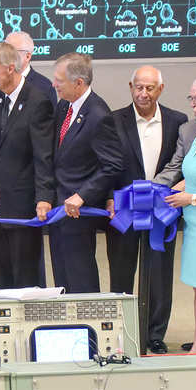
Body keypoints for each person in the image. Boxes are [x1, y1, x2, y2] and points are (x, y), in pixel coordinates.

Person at [108, 66, 187, 354]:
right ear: (131, 86)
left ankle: (154, 334)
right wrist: (108, 198)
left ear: (161, 89)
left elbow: (181, 165)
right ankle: (122, 331)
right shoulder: (114, 120)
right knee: (121, 273)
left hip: (160, 212)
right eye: (139, 87)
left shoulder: (178, 121)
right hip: (124, 210)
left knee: (159, 275)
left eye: (150, 88)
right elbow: (105, 164)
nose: (143, 93)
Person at [0, 42, 54, 290]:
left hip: (23, 205)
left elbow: (43, 157)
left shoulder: (37, 101)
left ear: (11, 68)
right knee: (1, 276)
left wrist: (44, 198)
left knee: (25, 276)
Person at [49, 53, 122, 293]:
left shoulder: (99, 115)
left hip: (79, 212)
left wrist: (82, 195)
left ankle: (87, 328)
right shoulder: (64, 106)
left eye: (59, 80)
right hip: (60, 208)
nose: (54, 84)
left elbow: (112, 164)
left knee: (80, 278)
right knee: (62, 277)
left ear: (78, 83)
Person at [154, 74, 196, 351]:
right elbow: (187, 175)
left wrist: (192, 199)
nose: (194, 107)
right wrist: (157, 192)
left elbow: (194, 191)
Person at [5, 31, 57, 107]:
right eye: (4, 52)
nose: (6, 56)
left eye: (12, 52)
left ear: (27, 56)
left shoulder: (44, 87)